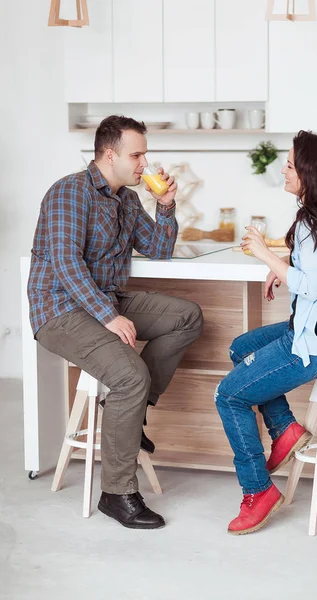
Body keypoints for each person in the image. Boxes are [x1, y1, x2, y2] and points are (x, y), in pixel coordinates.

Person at [28, 115, 203, 529]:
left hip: (106, 299)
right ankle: (117, 493)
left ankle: (132, 413)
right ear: (110, 154)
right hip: (60, 310)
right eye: (137, 154)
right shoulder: (69, 192)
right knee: (130, 375)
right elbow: (67, 264)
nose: (144, 163)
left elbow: (159, 250)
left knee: (187, 316)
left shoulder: (125, 198)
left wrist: (166, 207)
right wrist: (110, 317)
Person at [215, 130, 317, 536]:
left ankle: (258, 491)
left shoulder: (310, 222)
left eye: (289, 164)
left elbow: (311, 285)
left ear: (308, 172)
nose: (283, 170)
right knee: (241, 347)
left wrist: (265, 254)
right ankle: (284, 428)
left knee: (229, 395)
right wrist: (282, 265)